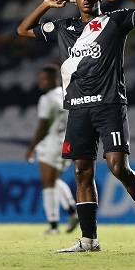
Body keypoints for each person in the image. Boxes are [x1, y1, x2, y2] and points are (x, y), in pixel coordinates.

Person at [17, 0, 135, 252]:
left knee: (118, 168)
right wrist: (44, 6)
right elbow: (23, 31)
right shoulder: (63, 27)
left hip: (109, 103)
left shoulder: (116, 20)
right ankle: (89, 240)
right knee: (81, 172)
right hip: (77, 108)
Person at [25, 63, 79, 235]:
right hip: (66, 143)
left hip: (50, 144)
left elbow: (42, 126)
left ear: (55, 79)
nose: (42, 82)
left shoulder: (47, 99)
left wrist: (31, 147)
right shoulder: (68, 94)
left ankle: (53, 226)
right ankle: (72, 210)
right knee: (54, 180)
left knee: (48, 185)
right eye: (40, 79)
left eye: (45, 79)